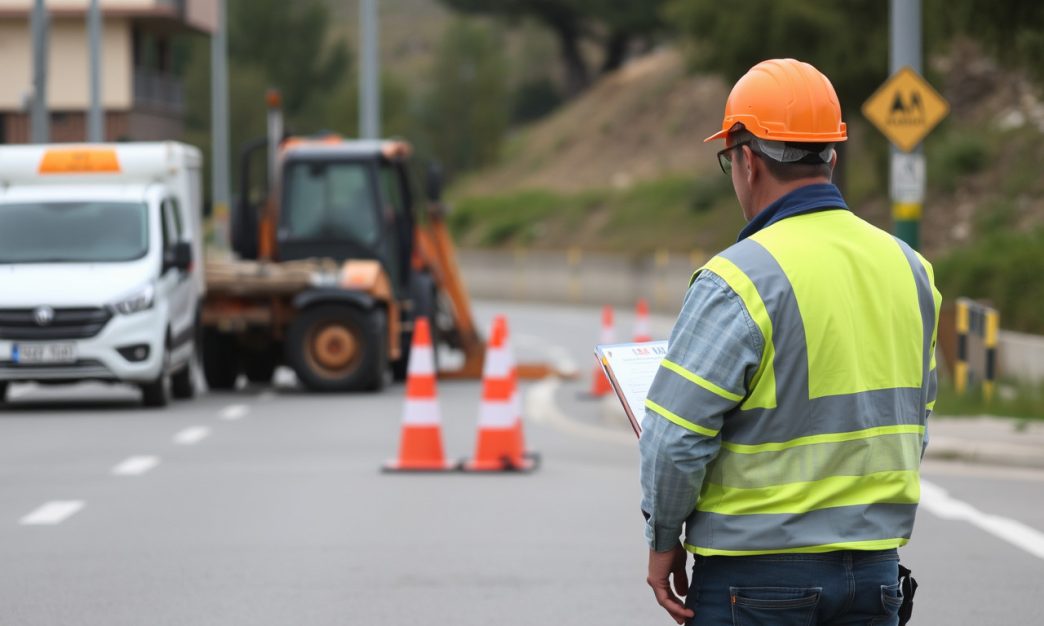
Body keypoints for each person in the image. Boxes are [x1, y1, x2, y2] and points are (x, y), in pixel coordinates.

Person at [638, 58, 940, 625]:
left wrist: (662, 541)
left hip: (757, 578)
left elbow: (675, 440)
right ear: (831, 154)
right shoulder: (910, 268)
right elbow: (915, 415)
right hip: (875, 575)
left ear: (746, 159)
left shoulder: (739, 278)